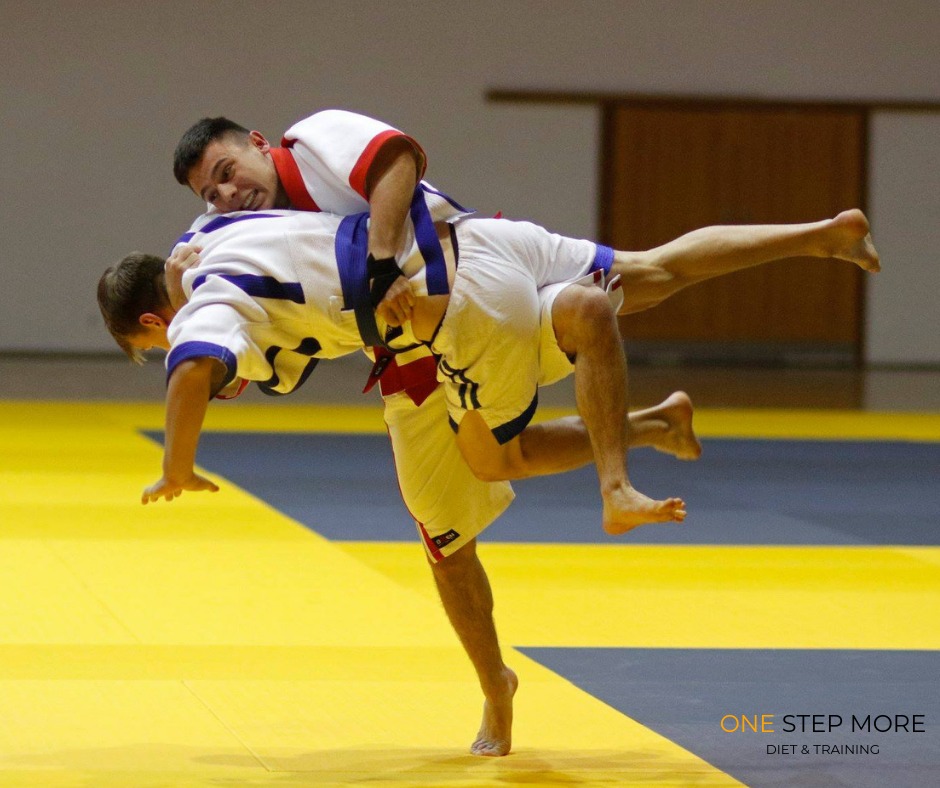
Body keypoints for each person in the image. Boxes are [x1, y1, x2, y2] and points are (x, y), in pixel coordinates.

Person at [163, 109, 881, 756]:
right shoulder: (215, 246)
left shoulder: (314, 141)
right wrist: (177, 291)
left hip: (471, 267)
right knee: (450, 541)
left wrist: (380, 262)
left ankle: (816, 241)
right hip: (420, 353)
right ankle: (500, 676)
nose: (226, 195)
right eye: (210, 192)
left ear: (258, 144)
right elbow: (241, 372)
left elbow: (397, 165)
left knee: (639, 285)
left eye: (228, 172)